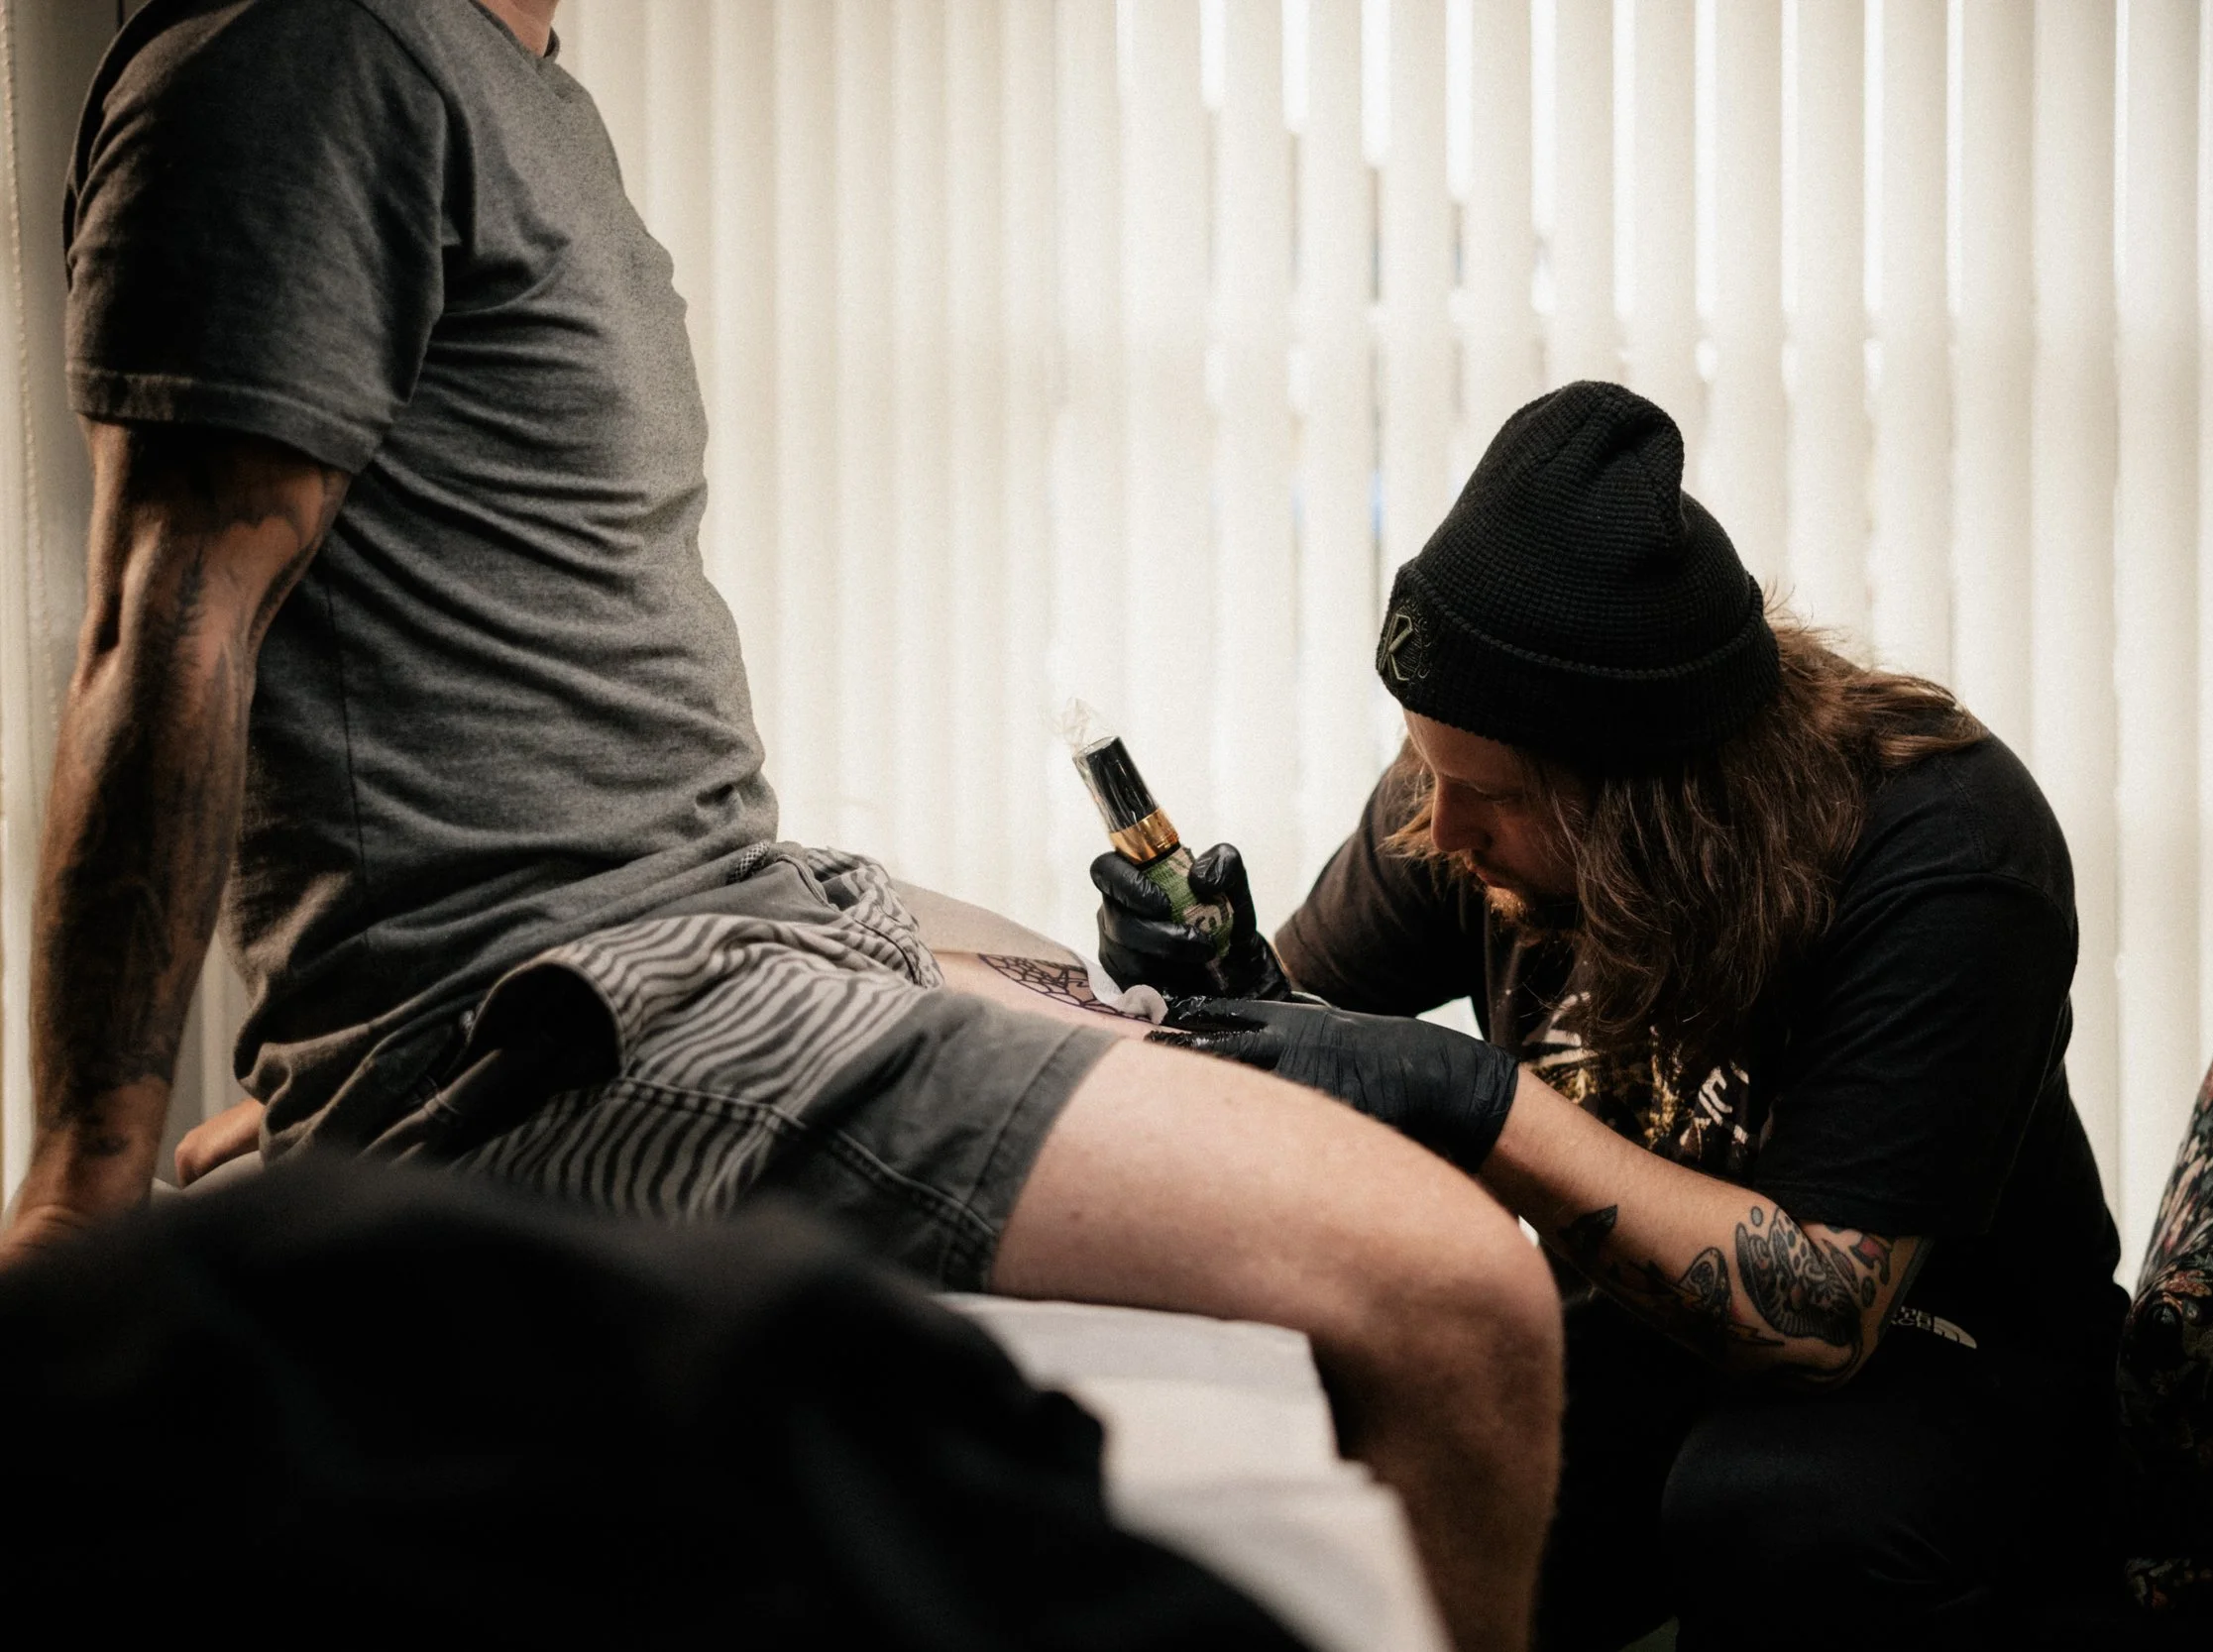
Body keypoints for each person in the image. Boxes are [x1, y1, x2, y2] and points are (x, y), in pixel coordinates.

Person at [0, 4, 1563, 1646]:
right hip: (611, 1005)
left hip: (728, 919)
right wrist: (82, 1198)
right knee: (1465, 1301)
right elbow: (164, 620)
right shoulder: (311, 48)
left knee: (1167, 1012)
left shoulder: (513, 80)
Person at [1096, 381, 2131, 1648]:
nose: (1441, 826)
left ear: (1656, 810)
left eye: (1489, 795)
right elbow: (1307, 1034)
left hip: (1955, 1351)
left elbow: (1820, 1315)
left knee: (1768, 1505)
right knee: (1393, 1453)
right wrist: (1211, 984)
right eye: (1425, 767)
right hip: (1653, 1346)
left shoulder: (1946, 846)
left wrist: (1478, 1101)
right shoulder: (1461, 788)